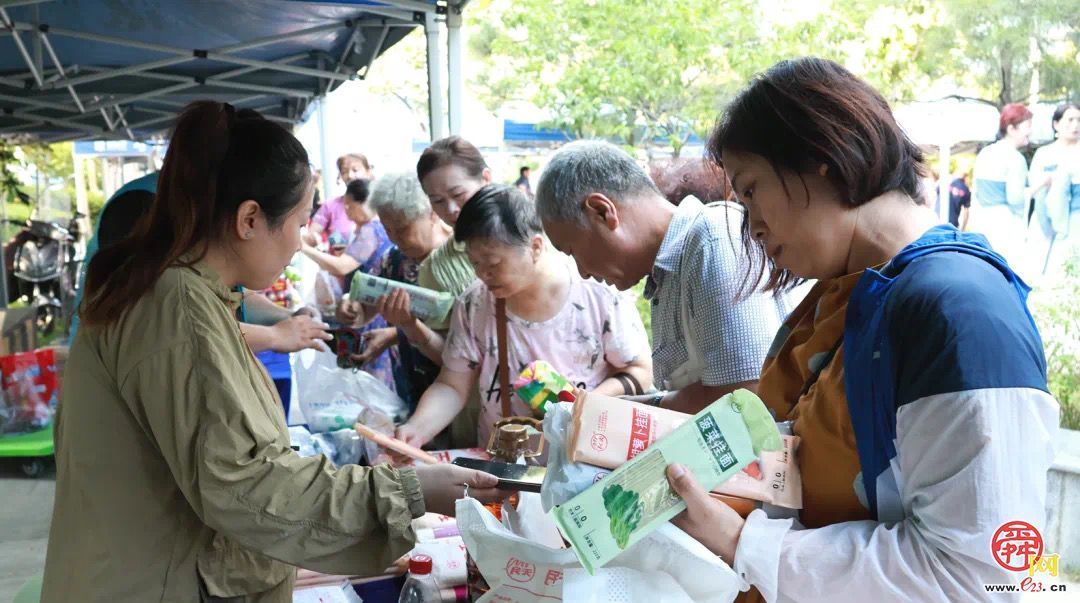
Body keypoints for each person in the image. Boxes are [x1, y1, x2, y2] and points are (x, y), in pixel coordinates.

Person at [42, 102, 500, 603]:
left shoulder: (179, 289)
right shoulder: (179, 306)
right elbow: (248, 486)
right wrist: (410, 491)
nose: (301, 239)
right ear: (249, 219)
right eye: (301, 221)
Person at [660, 58, 1057, 602]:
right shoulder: (842, 298)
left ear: (819, 157)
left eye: (751, 190)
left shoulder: (960, 311)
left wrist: (742, 541)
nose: (750, 224)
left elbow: (978, 576)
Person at [536, 140, 792, 414]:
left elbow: (745, 398)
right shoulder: (669, 273)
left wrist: (625, 411)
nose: (583, 272)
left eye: (573, 251)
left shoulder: (712, 239)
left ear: (602, 211)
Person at [396, 184, 653, 450]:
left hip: (583, 462)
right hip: (507, 465)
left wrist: (581, 405)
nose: (483, 275)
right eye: (475, 264)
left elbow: (640, 372)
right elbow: (452, 385)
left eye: (493, 264)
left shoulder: (598, 295)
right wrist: (416, 430)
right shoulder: (475, 303)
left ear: (535, 247)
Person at [69, 172, 331, 355]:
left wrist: (289, 319)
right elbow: (176, 323)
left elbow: (228, 298)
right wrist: (276, 335)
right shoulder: (149, 204)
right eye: (298, 224)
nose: (298, 245)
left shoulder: (206, 206)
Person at [338, 172, 456, 410]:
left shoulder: (460, 263)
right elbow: (365, 308)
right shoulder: (393, 260)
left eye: (402, 229)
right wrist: (350, 307)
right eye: (388, 229)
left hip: (455, 392)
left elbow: (463, 344)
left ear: (432, 214)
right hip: (411, 384)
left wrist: (396, 333)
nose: (395, 238)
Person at [301, 178, 397, 390]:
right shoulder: (372, 229)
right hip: (370, 309)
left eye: (349, 206)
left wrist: (303, 248)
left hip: (369, 314)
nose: (346, 211)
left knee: (368, 380)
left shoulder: (371, 230)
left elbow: (342, 267)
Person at [970, 103, 1050, 273]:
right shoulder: (1015, 159)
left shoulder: (985, 153)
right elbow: (1016, 199)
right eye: (1027, 126)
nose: (1030, 131)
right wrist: (1041, 184)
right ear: (1012, 128)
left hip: (982, 222)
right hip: (1005, 226)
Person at [1029, 102, 1080, 277]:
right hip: (1044, 218)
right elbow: (1034, 190)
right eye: (1070, 119)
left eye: (1079, 120)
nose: (1075, 125)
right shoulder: (1044, 153)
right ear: (1056, 124)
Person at [304, 153, 373, 245]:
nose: (350, 175)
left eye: (355, 170)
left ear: (368, 171)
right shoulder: (331, 205)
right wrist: (334, 243)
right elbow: (312, 236)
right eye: (344, 172)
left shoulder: (381, 204)